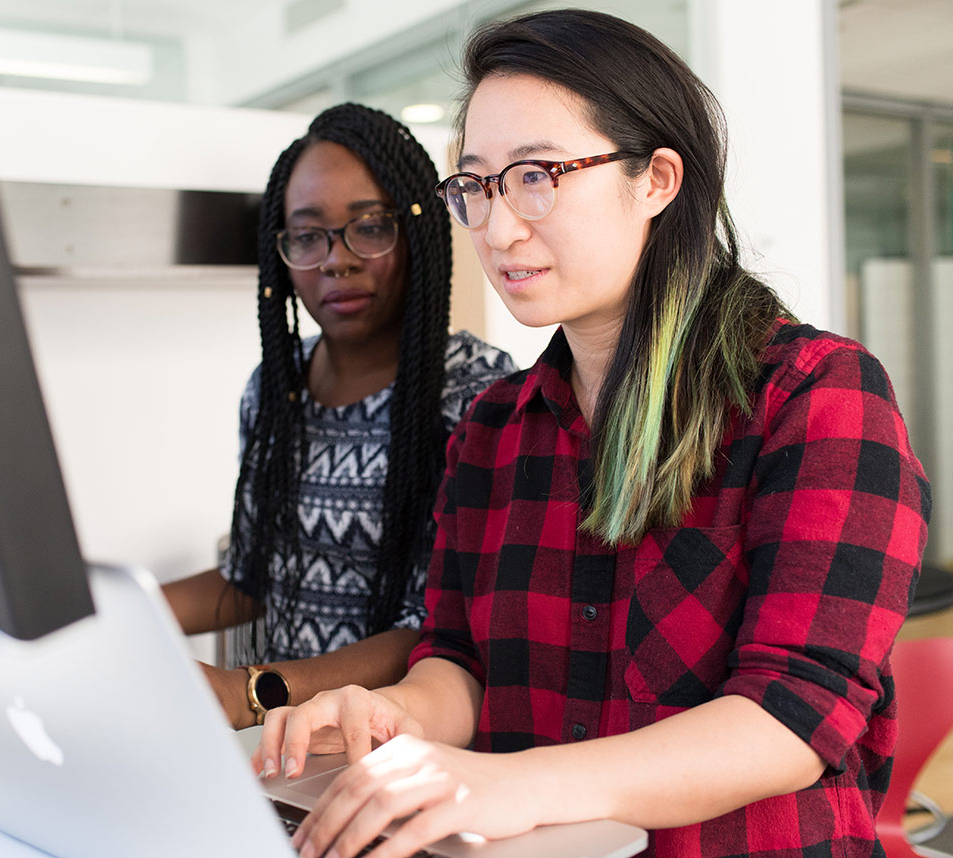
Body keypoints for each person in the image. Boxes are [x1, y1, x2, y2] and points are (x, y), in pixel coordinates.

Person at [254, 11, 931, 858]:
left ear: (656, 180)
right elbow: (459, 660)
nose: (498, 230)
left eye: (537, 175)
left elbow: (794, 715)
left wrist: (515, 782)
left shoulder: (816, 396)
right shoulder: (493, 428)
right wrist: (397, 711)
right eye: (477, 186)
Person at [163, 103, 516, 731]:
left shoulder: (476, 394)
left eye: (370, 227)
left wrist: (250, 692)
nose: (337, 259)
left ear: (416, 233)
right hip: (284, 744)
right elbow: (250, 575)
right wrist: (109, 615)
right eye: (308, 235)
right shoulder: (275, 389)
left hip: (399, 745)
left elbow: (439, 629)